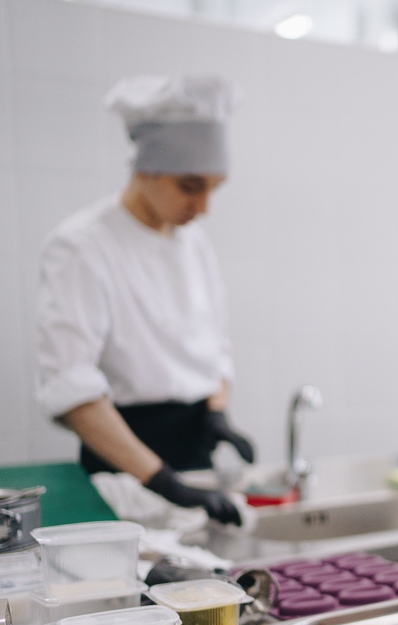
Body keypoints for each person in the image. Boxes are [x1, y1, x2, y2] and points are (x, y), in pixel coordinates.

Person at [35, 75, 253, 526]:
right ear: (147, 168)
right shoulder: (82, 245)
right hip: (125, 480)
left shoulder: (194, 243)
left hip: (197, 467)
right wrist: (162, 481)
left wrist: (216, 414)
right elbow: (73, 389)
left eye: (215, 187)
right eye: (191, 186)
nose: (204, 207)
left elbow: (217, 349)